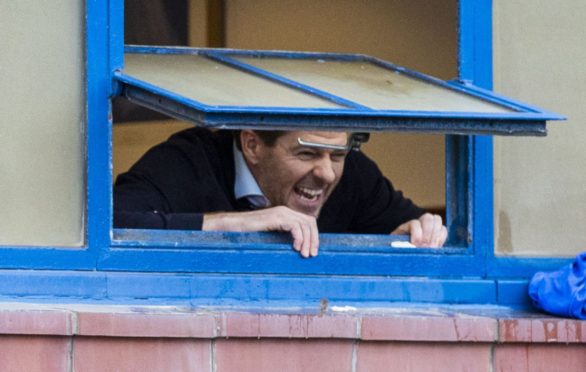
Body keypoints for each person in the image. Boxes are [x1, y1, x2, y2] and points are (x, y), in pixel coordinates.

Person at [114, 127, 448, 257]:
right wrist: (241, 224)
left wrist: (416, 231)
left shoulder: (353, 174)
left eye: (338, 156)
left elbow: (408, 224)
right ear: (252, 145)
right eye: (306, 154)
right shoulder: (188, 161)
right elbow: (114, 224)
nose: (327, 172)